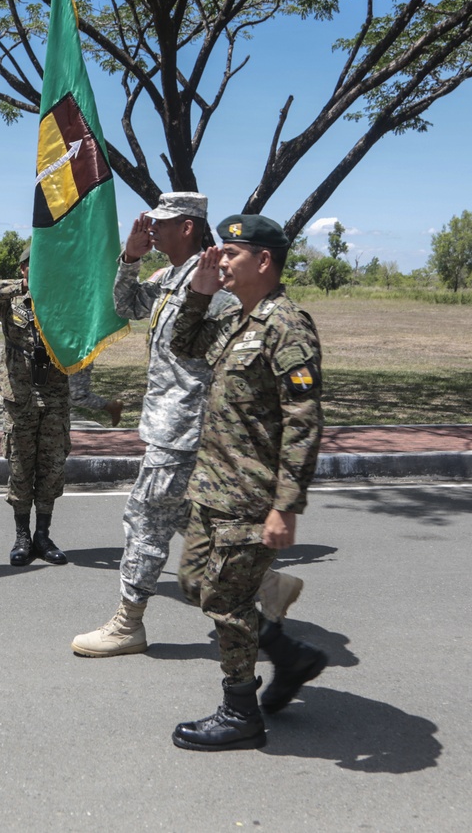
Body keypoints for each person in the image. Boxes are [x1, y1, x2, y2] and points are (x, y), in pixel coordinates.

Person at [72, 194, 302, 658]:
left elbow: (215, 354)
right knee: (186, 517)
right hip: (164, 416)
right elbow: (126, 306)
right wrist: (129, 259)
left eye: (163, 224)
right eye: (150, 223)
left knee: (144, 517)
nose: (152, 229)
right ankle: (267, 584)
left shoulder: (214, 281)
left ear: (190, 228)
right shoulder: (168, 276)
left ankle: (128, 621)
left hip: (188, 421)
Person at [169, 213, 327, 752]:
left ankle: (240, 713)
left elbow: (303, 421)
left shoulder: (287, 326)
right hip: (212, 490)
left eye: (231, 255)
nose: (222, 260)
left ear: (263, 261)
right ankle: (288, 653)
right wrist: (200, 290)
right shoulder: (239, 321)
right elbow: (183, 344)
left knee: (227, 603)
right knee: (194, 583)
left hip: (250, 498)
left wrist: (286, 505)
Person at [0, 245, 71, 566]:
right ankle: (22, 536)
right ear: (23, 269)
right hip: (19, 397)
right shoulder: (13, 302)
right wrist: (25, 287)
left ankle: (43, 535)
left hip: (55, 397)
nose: (40, 270)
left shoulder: (64, 301)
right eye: (33, 266)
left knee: (51, 468)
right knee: (19, 466)